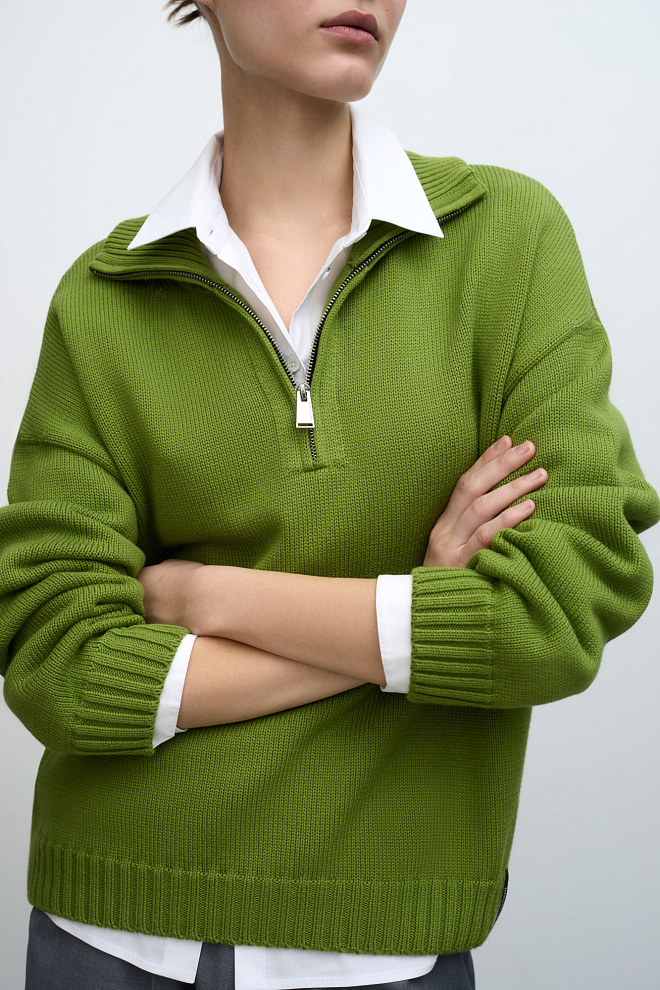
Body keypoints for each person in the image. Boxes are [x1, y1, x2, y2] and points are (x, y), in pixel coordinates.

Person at [1, 1, 658, 988]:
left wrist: (210, 596)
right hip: (108, 939)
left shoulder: (506, 243)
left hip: (386, 949)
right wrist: (422, 602)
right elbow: (59, 664)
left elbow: (557, 608)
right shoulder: (104, 296)